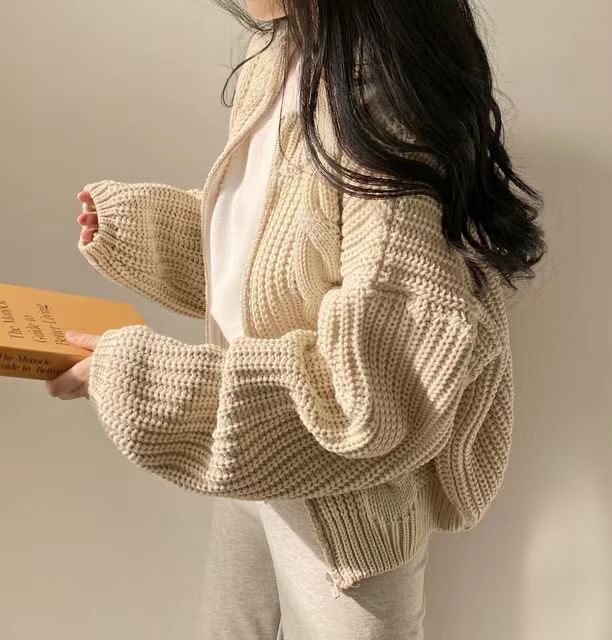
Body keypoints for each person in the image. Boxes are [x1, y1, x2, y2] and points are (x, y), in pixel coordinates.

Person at [45, 1, 546, 638]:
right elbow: (277, 255)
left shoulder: (390, 117)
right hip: (260, 457)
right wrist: (143, 227)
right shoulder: (278, 59)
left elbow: (371, 398)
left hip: (349, 514)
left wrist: (139, 377)